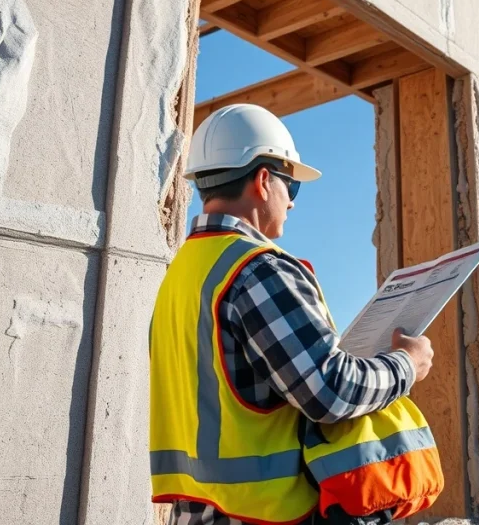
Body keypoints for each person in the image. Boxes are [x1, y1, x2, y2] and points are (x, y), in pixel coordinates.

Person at [149, 103, 434, 525]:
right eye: (292, 187)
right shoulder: (257, 269)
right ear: (263, 181)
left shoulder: (181, 275)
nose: (294, 204)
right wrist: (406, 366)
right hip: (269, 515)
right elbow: (331, 392)